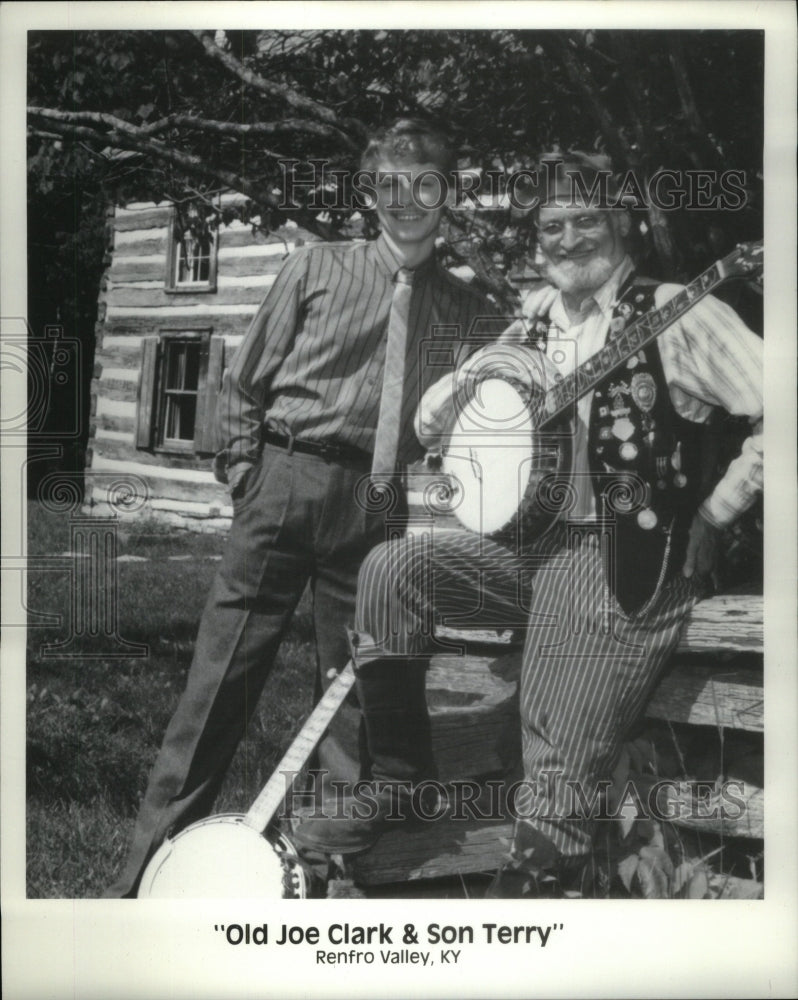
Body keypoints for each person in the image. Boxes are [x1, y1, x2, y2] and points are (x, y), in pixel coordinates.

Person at [293, 154, 763, 897]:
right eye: (553, 224)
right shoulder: (534, 319)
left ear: (624, 224)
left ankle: (534, 902)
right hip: (528, 553)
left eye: (587, 220)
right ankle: (402, 782)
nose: (570, 238)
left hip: (621, 559)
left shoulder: (678, 308)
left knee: (555, 735)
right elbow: (428, 418)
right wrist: (484, 379)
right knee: (391, 571)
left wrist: (720, 510)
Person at [105, 119, 501, 897]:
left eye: (427, 184)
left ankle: (328, 883)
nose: (408, 201)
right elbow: (246, 380)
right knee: (220, 684)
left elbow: (503, 388)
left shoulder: (463, 309)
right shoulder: (317, 267)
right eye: (392, 184)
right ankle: (146, 878)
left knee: (350, 691)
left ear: (448, 196)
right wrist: (248, 465)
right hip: (287, 481)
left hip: (378, 503)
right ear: (369, 193)